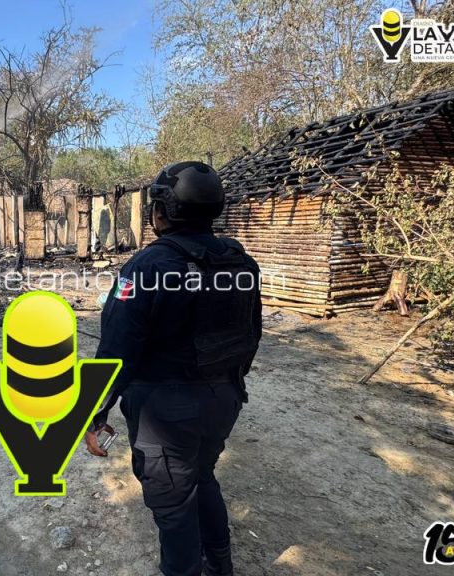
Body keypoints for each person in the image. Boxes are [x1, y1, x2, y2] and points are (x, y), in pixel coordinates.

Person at [84, 161, 262, 576]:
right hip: (224, 400)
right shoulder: (240, 262)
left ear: (162, 211)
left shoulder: (146, 267)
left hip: (165, 414)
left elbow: (116, 351)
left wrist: (95, 413)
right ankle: (220, 566)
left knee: (174, 506)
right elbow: (252, 334)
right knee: (201, 477)